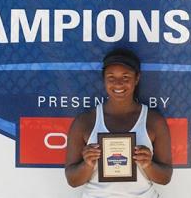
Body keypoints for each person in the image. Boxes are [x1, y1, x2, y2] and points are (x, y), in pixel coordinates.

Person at [65, 48, 172, 197]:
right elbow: (73, 180)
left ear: (137, 78)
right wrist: (87, 164)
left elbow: (165, 177)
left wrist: (148, 164)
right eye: (111, 77)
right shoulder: (85, 121)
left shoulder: (153, 121)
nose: (118, 84)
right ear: (104, 80)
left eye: (126, 77)